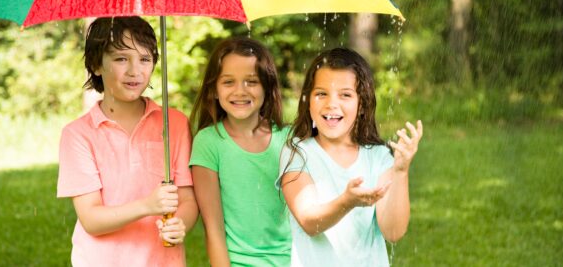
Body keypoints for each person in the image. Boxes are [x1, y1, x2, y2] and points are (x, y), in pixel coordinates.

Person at [57, 16, 198, 267]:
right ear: (96, 64)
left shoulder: (174, 124)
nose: (135, 71)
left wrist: (180, 223)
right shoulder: (78, 135)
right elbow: (91, 219)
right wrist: (147, 205)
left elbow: (187, 200)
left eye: (145, 59)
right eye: (121, 59)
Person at [278, 48, 423, 267]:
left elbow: (393, 232)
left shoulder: (378, 156)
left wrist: (400, 171)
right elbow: (309, 222)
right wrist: (347, 202)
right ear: (309, 102)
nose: (331, 104)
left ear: (361, 104)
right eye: (321, 94)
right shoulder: (298, 152)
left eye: (345, 95)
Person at [189, 37, 292, 266]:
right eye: (228, 82)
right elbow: (213, 230)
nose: (240, 91)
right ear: (214, 90)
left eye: (251, 81)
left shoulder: (289, 139)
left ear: (267, 86)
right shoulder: (209, 142)